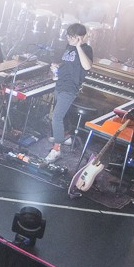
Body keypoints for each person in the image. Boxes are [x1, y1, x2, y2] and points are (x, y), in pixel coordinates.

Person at [45, 23, 92, 164]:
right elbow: (68, 65)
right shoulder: (68, 47)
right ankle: (65, 137)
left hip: (70, 89)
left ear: (81, 37)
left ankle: (56, 150)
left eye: (72, 37)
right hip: (60, 85)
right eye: (68, 36)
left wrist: (78, 47)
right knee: (61, 116)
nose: (68, 39)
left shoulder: (86, 49)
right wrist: (57, 67)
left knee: (56, 117)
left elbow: (87, 66)